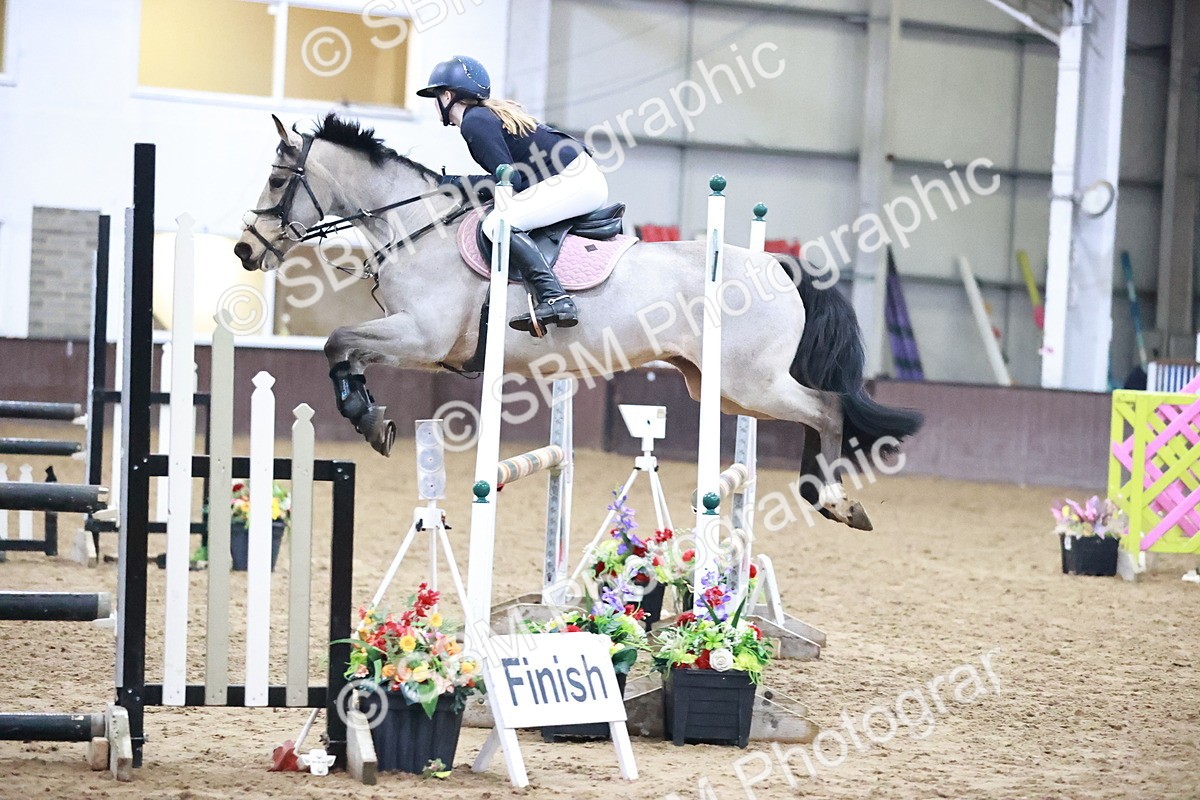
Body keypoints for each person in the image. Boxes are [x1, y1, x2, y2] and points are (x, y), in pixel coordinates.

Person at [417, 55, 609, 334]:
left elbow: (509, 180)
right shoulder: (482, 117)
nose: (435, 104)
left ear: (447, 96)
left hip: (575, 181)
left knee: (498, 224)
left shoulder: (474, 122)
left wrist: (455, 183)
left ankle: (555, 298)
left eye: (435, 96)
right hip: (574, 177)